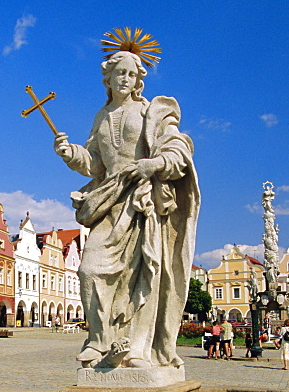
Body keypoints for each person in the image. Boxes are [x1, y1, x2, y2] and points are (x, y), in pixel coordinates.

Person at [54, 47, 199, 369]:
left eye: (132, 74)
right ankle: (99, 341)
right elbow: (95, 164)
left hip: (143, 201)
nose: (126, 79)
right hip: (110, 201)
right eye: (120, 72)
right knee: (89, 270)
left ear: (138, 81)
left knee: (143, 274)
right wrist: (69, 153)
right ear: (108, 77)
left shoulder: (153, 112)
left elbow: (179, 148)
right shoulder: (102, 117)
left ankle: (136, 348)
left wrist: (154, 164)